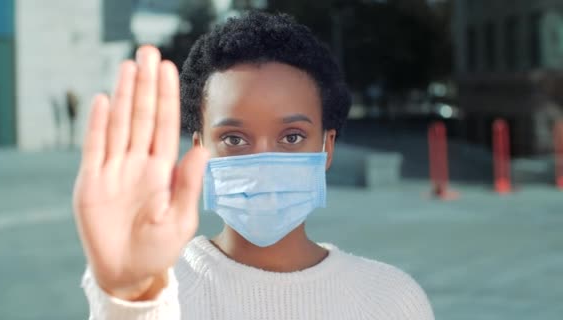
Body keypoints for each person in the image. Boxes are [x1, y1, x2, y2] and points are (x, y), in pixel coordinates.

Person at [73, 11, 434, 319]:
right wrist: (132, 301)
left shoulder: (392, 301)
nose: (262, 161)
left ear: (327, 146)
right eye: (234, 138)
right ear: (200, 150)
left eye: (292, 136)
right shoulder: (155, 292)